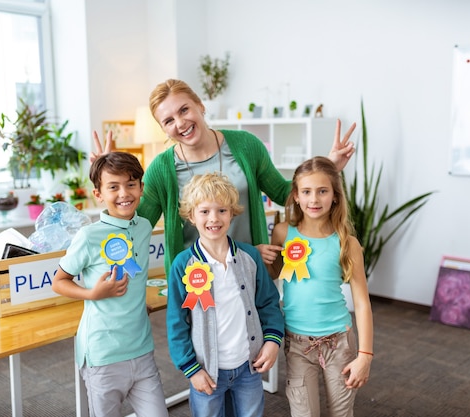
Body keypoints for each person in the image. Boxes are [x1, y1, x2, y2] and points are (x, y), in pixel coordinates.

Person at [91, 79, 356, 273]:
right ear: (163, 129)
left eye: (184, 110)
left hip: (250, 268)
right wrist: (110, 179)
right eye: (168, 121)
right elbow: (138, 223)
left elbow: (284, 192)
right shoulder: (162, 168)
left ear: (200, 105)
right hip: (195, 279)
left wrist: (328, 168)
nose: (180, 123)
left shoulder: (246, 146)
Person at [52, 152, 168, 417]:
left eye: (130, 184)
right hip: (103, 356)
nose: (124, 193)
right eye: (113, 187)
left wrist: (137, 303)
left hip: (141, 349)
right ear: (98, 194)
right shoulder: (88, 236)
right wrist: (93, 293)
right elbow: (59, 282)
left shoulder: (144, 226)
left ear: (141, 188)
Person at [166, 172, 284, 417]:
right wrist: (191, 369)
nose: (214, 218)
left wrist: (273, 341)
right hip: (206, 372)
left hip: (249, 367)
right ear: (191, 216)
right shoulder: (182, 264)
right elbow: (176, 322)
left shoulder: (249, 256)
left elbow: (269, 302)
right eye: (205, 211)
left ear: (232, 213)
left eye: (222, 210)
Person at [267, 156, 373, 417]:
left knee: (341, 412)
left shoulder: (348, 243)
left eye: (322, 191)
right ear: (296, 196)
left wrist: (365, 356)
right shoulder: (282, 233)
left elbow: (361, 303)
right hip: (298, 345)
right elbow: (274, 276)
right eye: (306, 192)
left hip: (339, 342)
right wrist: (264, 257)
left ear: (335, 196)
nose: (314, 200)